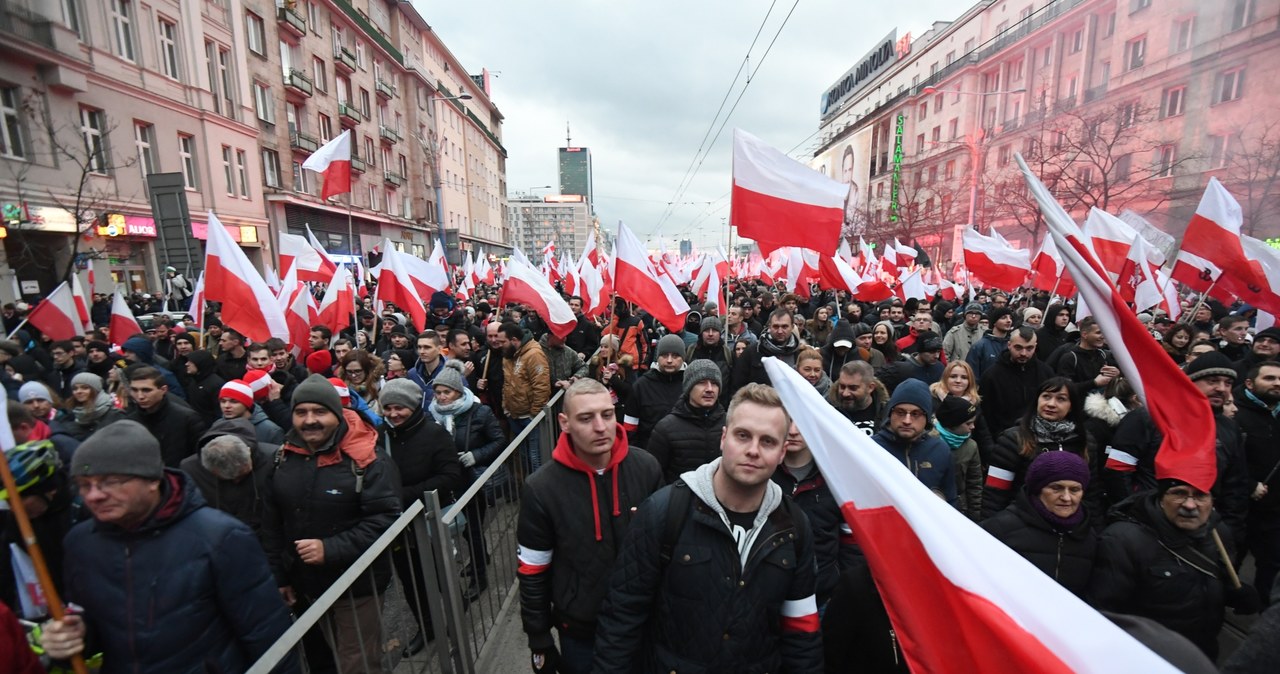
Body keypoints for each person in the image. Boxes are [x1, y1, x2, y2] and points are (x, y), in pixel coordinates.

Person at [592, 383, 822, 673]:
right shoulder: (664, 512)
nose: (753, 450)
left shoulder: (795, 526)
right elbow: (621, 618)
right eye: (743, 436)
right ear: (723, 438)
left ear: (782, 452)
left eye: (767, 441)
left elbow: (801, 634)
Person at [40, 420, 296, 672]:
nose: (95, 495)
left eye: (111, 481)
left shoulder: (221, 538)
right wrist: (74, 637)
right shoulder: (80, 543)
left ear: (152, 479)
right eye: (85, 485)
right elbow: (96, 627)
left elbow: (267, 636)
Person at [517, 379, 662, 674]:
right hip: (582, 633)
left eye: (607, 415)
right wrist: (539, 639)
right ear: (564, 422)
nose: (600, 427)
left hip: (646, 623)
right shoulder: (541, 488)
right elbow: (533, 570)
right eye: (586, 418)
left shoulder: (646, 467)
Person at [261, 374, 401, 673]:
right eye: (301, 412)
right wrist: (280, 577)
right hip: (307, 583)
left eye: (319, 412)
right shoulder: (283, 457)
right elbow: (273, 522)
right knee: (335, 656)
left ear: (336, 415)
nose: (310, 420)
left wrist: (331, 548)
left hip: (356, 584)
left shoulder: (367, 459)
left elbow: (387, 520)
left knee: (357, 663)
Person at [1088, 479, 1262, 659]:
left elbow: (1211, 582)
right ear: (1162, 497)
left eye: (1200, 495)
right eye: (1179, 493)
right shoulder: (1123, 540)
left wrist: (1236, 593)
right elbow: (1104, 615)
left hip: (1201, 656)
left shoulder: (1218, 534)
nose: (1189, 504)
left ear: (1212, 501)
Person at [1106, 352, 1253, 551]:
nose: (1221, 388)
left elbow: (1235, 486)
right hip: (1148, 528)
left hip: (1203, 533)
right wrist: (1137, 510)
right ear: (1190, 383)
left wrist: (1230, 530)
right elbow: (1118, 470)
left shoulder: (1229, 429)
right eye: (1212, 381)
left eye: (1227, 383)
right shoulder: (1149, 418)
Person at [378, 377, 464, 656]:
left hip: (429, 520)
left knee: (441, 576)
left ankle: (455, 621)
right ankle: (426, 627)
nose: (393, 414)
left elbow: (450, 476)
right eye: (387, 408)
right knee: (409, 579)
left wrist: (403, 495)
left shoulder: (435, 434)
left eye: (399, 408)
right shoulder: (382, 435)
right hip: (399, 526)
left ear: (413, 406)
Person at [427, 360, 506, 602]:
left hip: (472, 481)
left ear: (459, 392)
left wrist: (475, 456)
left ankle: (479, 578)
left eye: (446, 392)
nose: (441, 397)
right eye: (438, 392)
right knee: (463, 531)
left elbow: (498, 440)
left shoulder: (479, 412)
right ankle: (481, 557)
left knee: (472, 530)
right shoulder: (431, 415)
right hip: (447, 483)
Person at [982, 377, 1102, 521]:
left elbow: (1091, 494)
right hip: (1022, 523)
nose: (1051, 404)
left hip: (1070, 526)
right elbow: (995, 492)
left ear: (1071, 406)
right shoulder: (1012, 439)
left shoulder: (1085, 442)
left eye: (1061, 399)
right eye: (1046, 397)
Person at [980, 452, 1097, 597]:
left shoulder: (1088, 535)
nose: (1066, 497)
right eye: (1056, 488)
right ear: (1037, 489)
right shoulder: (1001, 528)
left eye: (1075, 490)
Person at [773, 421, 853, 607]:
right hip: (772, 594)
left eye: (801, 421)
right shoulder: (763, 471)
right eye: (788, 420)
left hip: (823, 596)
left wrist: (843, 590)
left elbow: (851, 544)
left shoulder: (835, 477)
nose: (793, 431)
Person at [180, 418, 277, 538]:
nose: (236, 481)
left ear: (248, 452)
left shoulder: (274, 460)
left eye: (242, 474)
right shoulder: (191, 470)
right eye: (227, 478)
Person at [1233, 361, 1280, 603]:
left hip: (1273, 509)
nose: (1277, 384)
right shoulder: (1234, 414)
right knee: (1231, 560)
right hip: (1241, 505)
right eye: (1269, 378)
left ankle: (1262, 608)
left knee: (1271, 562)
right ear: (1250, 383)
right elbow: (1228, 460)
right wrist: (1250, 485)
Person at [872, 379, 956, 504]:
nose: (907, 420)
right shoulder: (872, 448)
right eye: (900, 412)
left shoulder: (940, 450)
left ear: (926, 417)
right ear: (890, 413)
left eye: (915, 414)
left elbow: (951, 499)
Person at [646, 359, 726, 484]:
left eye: (714, 383)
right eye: (701, 382)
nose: (710, 389)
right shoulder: (665, 428)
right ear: (689, 387)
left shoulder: (730, 424)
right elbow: (654, 477)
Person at [125, 366, 208, 467]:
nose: (140, 396)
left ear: (163, 390)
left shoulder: (187, 419)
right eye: (134, 390)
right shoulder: (129, 422)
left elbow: (200, 458)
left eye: (146, 390)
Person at [979, 326, 1053, 436]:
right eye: (1018, 348)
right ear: (1009, 345)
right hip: (1003, 438)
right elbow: (985, 414)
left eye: (1029, 348)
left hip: (1039, 437)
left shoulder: (1046, 372)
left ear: (1035, 347)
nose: (1023, 353)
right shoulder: (992, 375)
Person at [501, 322, 552, 473]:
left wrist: (534, 414)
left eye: (503, 341)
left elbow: (541, 386)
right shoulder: (509, 355)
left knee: (535, 456)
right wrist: (506, 406)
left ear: (514, 339)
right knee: (523, 455)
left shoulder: (534, 354)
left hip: (529, 417)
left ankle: (540, 489)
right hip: (514, 415)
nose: (500, 345)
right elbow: (507, 383)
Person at [622, 334, 685, 449]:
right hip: (648, 453)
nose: (669, 360)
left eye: (675, 356)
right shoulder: (641, 386)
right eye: (665, 355)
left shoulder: (690, 385)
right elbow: (630, 427)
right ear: (657, 357)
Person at [934, 395, 983, 521]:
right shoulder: (929, 442)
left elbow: (974, 484)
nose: (973, 427)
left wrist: (975, 517)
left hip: (959, 510)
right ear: (952, 424)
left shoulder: (971, 446)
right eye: (968, 423)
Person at [730, 308, 802, 393]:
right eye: (776, 326)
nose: (780, 331)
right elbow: (737, 386)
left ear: (792, 327)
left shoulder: (799, 353)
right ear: (769, 326)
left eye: (784, 326)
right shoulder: (752, 352)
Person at [1055, 317, 1120, 392]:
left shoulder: (1104, 355)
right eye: (1098, 333)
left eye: (1103, 332)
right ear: (1084, 334)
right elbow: (1065, 388)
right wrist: (1094, 383)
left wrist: (1116, 375)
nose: (1103, 336)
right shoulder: (1070, 358)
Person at [825, 360, 885, 436]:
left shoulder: (887, 414)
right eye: (842, 387)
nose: (845, 393)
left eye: (853, 388)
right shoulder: (827, 411)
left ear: (870, 388)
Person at [58, 372, 123, 441]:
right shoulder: (71, 414)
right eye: (75, 388)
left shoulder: (114, 413)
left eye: (85, 388)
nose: (78, 391)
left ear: (95, 389)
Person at [876, 331, 944, 394]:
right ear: (921, 351)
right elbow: (876, 382)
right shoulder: (900, 369)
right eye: (931, 352)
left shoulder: (939, 367)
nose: (937, 356)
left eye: (938, 351)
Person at [587, 335, 634, 420]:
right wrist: (603, 382)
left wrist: (613, 379)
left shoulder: (624, 365)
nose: (602, 350)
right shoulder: (595, 364)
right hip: (600, 409)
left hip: (619, 410)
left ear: (614, 349)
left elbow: (629, 389)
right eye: (601, 347)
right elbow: (591, 388)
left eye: (606, 347)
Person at [966, 307, 1014, 379]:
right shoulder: (980, 346)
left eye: (1010, 318)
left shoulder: (1013, 345)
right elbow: (972, 374)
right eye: (1004, 318)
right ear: (994, 322)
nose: (1009, 321)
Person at [182, 350, 226, 425]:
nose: (186, 364)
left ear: (200, 363)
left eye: (190, 362)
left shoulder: (216, 385)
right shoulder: (193, 380)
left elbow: (219, 412)